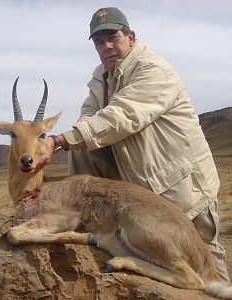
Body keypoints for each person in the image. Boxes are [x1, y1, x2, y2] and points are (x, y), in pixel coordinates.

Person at [34, 7, 230, 282]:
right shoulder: (102, 75)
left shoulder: (153, 69)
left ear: (131, 36)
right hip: (142, 186)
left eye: (112, 37)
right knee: (84, 148)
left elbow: (122, 116)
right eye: (99, 42)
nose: (106, 46)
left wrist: (61, 140)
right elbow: (91, 108)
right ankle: (90, 217)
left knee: (204, 256)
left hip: (181, 186)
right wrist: (82, 125)